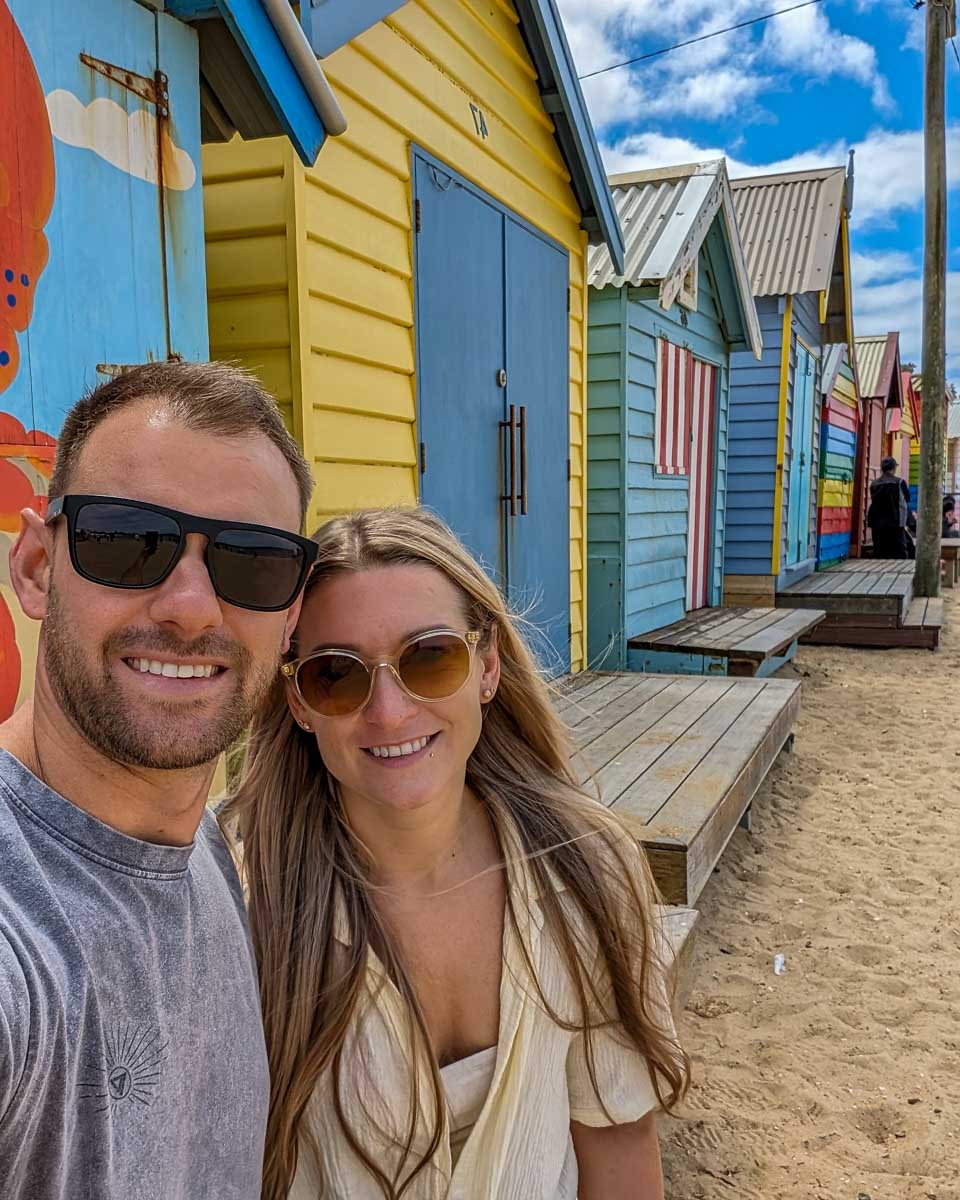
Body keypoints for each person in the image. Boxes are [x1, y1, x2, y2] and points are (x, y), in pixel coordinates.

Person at [227, 507, 690, 1200]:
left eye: (430, 657)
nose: (389, 711)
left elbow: (617, 1137)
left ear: (487, 666)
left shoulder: (588, 868)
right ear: (298, 701)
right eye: (337, 675)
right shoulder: (241, 901)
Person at [0, 361, 318, 1197]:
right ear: (35, 568)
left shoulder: (203, 846)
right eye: (126, 541)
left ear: (290, 616)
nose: (190, 607)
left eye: (253, 563)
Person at [867, 456, 913, 559]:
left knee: (880, 552)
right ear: (894, 468)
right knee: (900, 551)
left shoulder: (874, 484)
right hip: (896, 522)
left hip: (878, 523)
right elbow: (907, 498)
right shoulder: (900, 482)